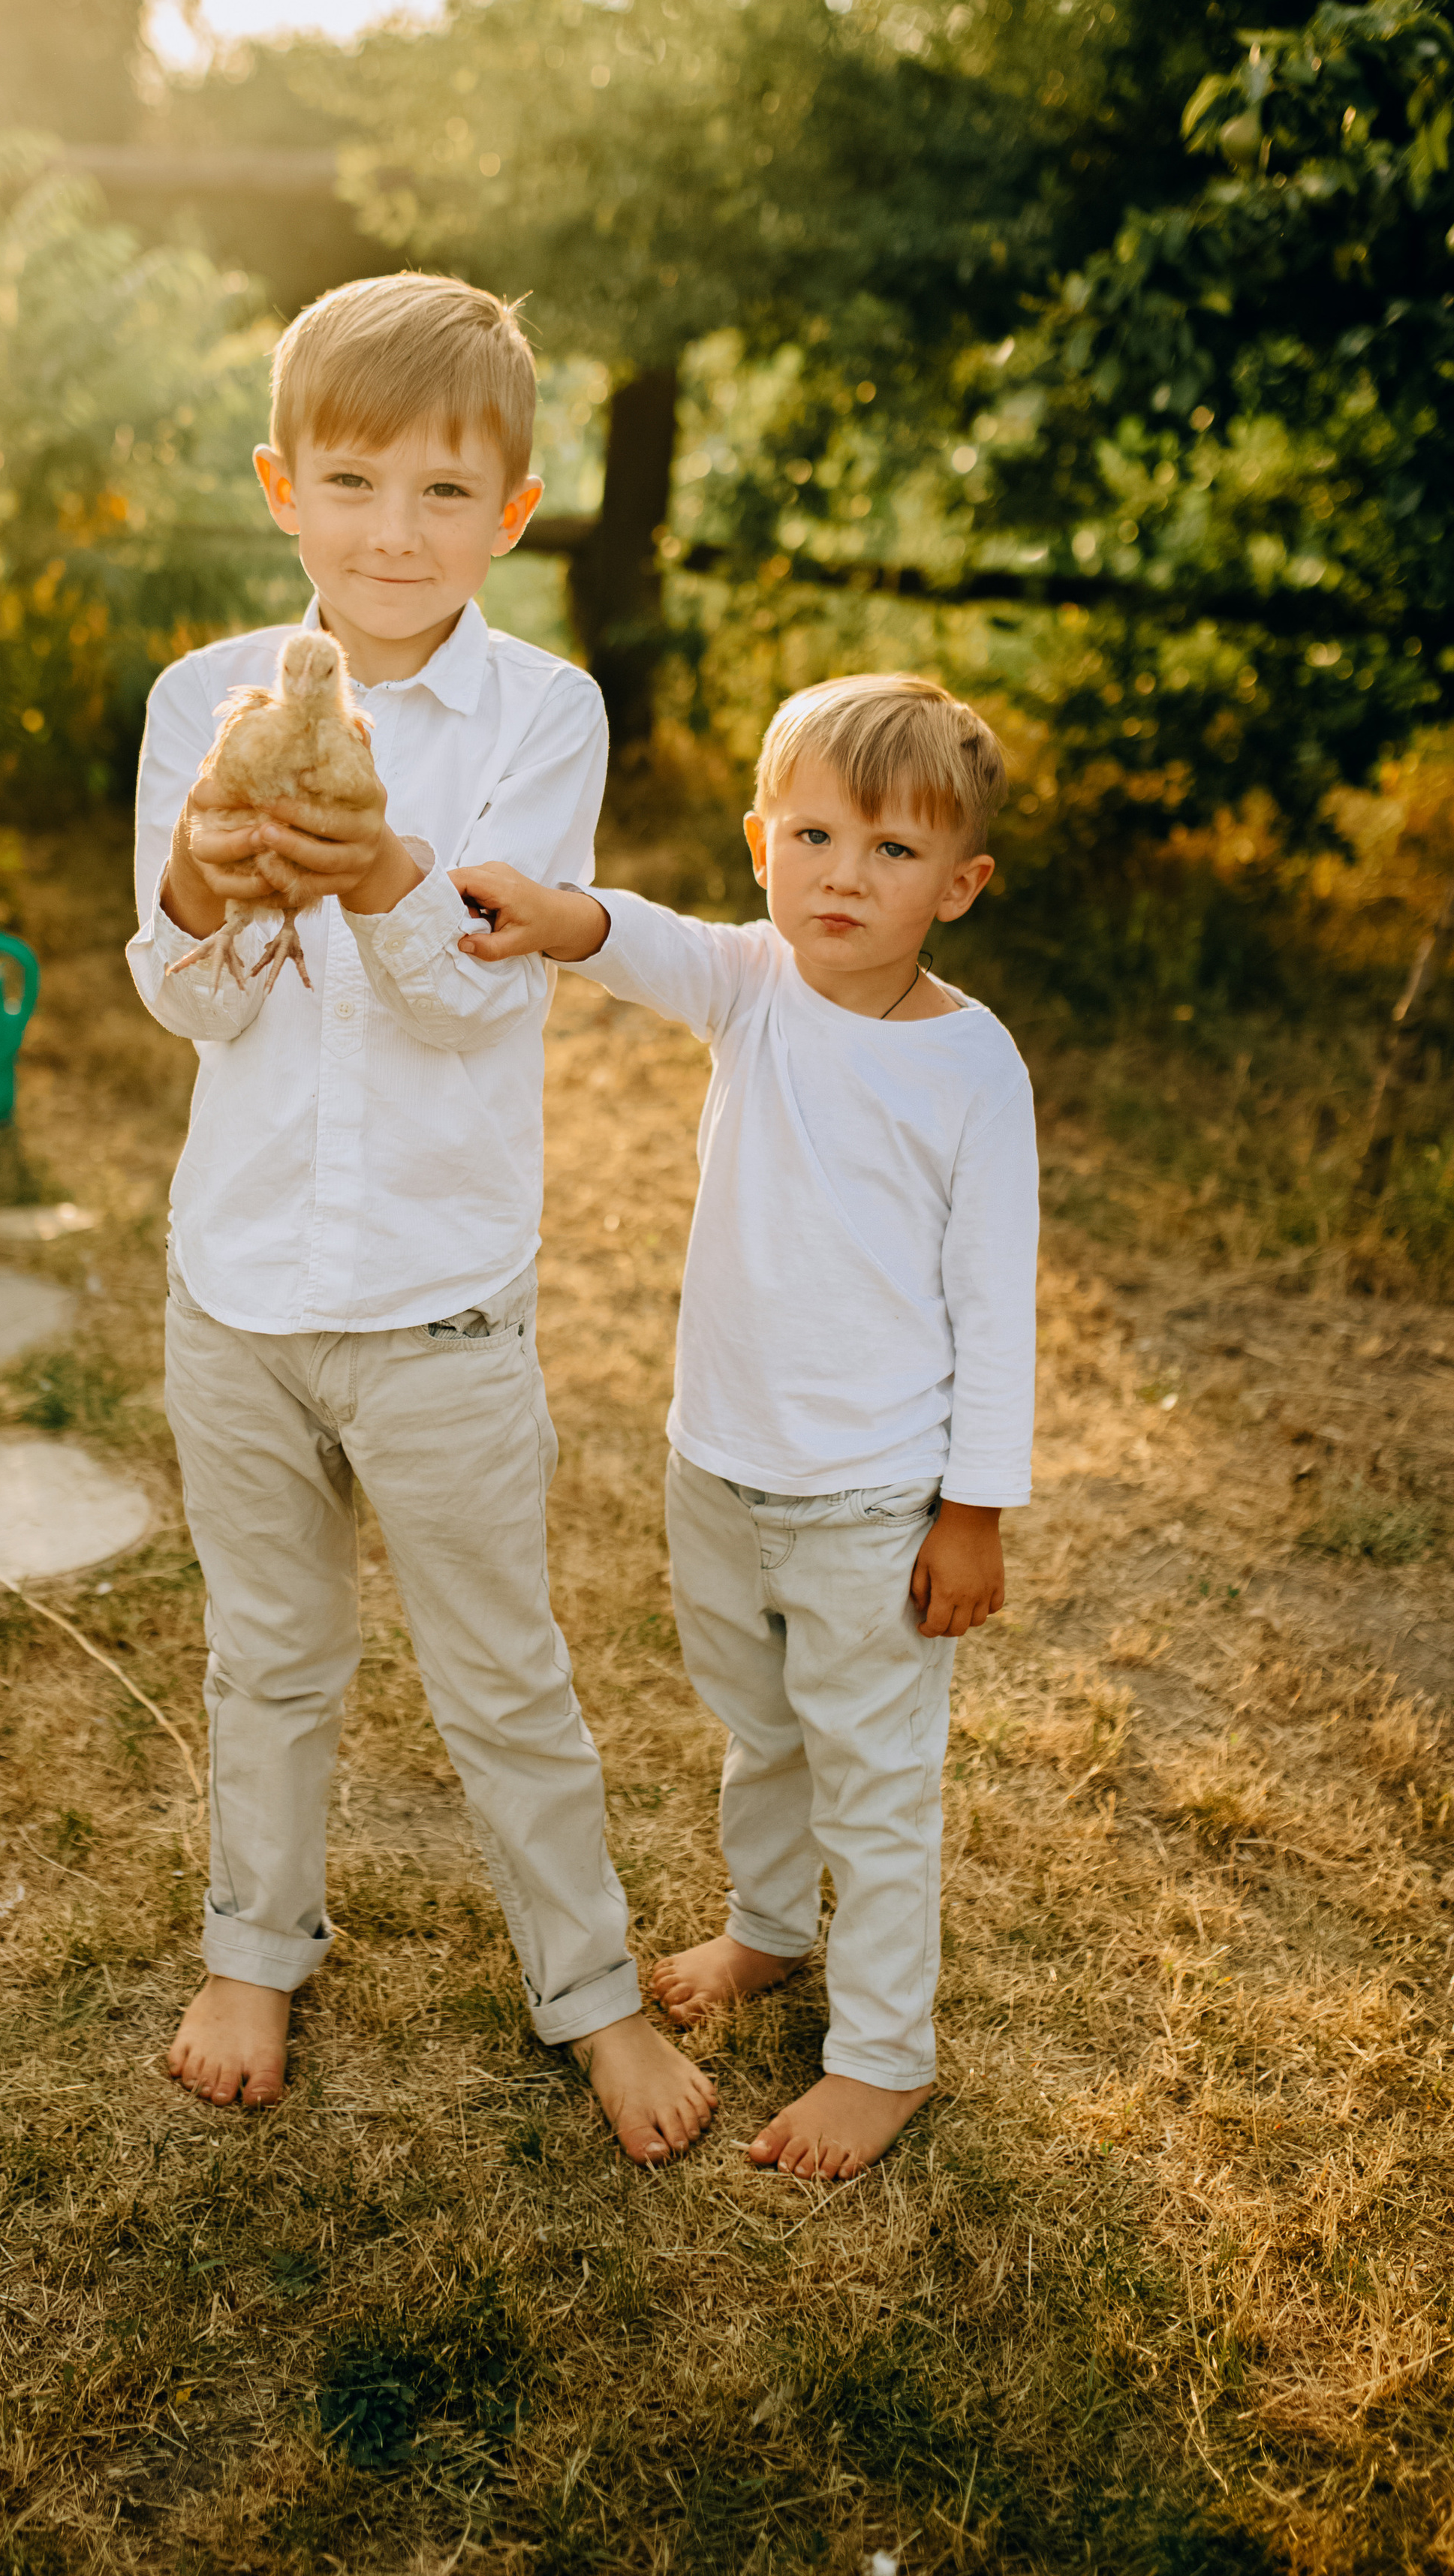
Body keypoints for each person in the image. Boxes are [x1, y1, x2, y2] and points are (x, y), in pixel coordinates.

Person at [125, 270, 715, 2165]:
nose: (396, 532)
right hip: (235, 1291)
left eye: (445, 494)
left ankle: (591, 1989)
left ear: (513, 515)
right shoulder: (197, 702)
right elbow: (179, 997)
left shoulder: (542, 718)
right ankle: (250, 1949)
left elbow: (482, 996)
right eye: (356, 481)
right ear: (283, 484)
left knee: (500, 1664)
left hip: (442, 1308)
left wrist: (381, 871)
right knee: (269, 1646)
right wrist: (212, 890)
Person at [453, 673, 1037, 2179]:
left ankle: (884, 2057)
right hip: (714, 1466)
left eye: (893, 852)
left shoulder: (967, 1068)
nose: (843, 874)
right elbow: (638, 943)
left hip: (871, 1504)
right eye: (814, 834)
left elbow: (994, 1304)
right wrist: (548, 908)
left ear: (958, 886)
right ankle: (771, 1929)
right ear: (758, 841)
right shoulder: (751, 983)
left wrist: (969, 1512)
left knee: (875, 1777)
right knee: (757, 1730)